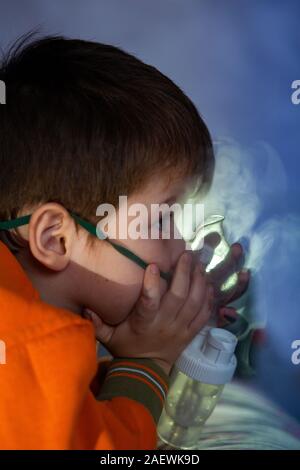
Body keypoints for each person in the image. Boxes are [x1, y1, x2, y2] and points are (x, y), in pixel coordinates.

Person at [0, 34, 249, 449]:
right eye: (160, 220)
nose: (181, 248)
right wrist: (149, 362)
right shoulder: (21, 347)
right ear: (56, 239)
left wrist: (165, 330)